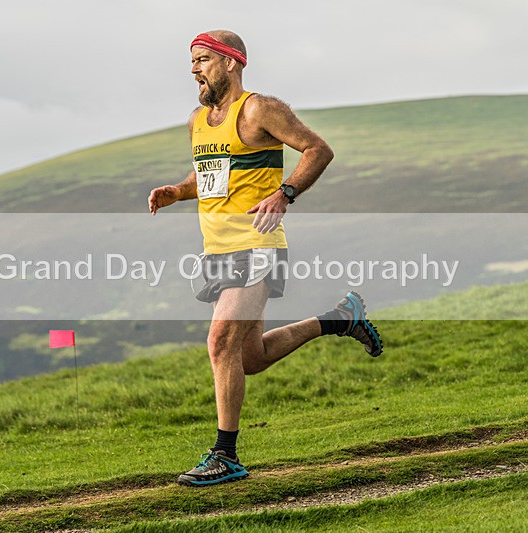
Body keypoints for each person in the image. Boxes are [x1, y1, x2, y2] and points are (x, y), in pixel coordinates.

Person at [148, 30, 382, 487]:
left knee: (220, 342)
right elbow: (210, 175)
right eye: (192, 61)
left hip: (256, 247)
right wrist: (177, 191)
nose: (194, 69)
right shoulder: (199, 119)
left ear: (231, 62)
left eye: (202, 60)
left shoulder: (258, 109)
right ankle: (341, 318)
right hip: (216, 250)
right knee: (248, 357)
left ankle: (225, 454)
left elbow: (319, 149)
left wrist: (285, 192)